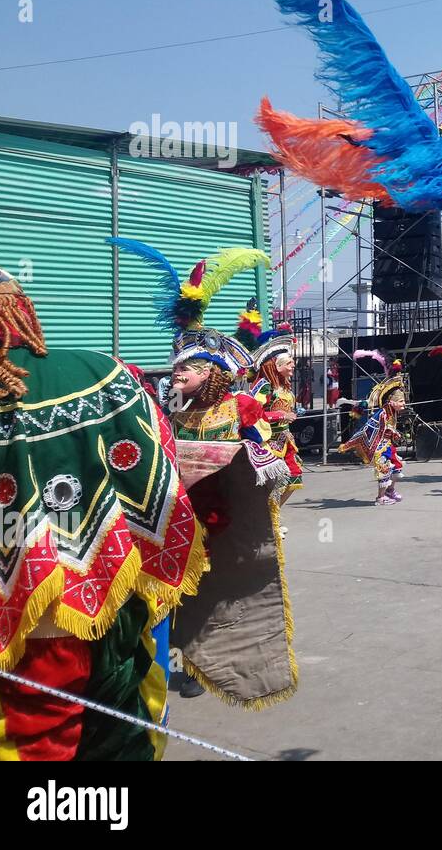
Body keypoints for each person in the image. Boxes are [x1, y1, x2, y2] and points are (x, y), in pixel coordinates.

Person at [0, 263, 208, 759]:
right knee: (124, 736)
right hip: (110, 610)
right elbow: (163, 476)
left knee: (20, 745)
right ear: (20, 310)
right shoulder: (103, 373)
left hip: (2, 631)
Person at [109, 238, 299, 708]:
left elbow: (267, 458)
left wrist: (254, 461)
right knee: (172, 589)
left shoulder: (242, 406)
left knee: (215, 590)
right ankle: (171, 657)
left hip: (223, 517)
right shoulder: (174, 409)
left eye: (185, 371)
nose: (176, 377)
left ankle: (200, 662)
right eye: (175, 372)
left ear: (211, 374)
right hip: (176, 515)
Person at [238, 298, 305, 503]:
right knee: (274, 482)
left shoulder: (283, 386)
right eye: (289, 363)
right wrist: (281, 415)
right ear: (276, 365)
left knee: (294, 477)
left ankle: (272, 515)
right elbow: (251, 414)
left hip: (285, 440)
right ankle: (267, 518)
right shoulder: (263, 386)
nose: (293, 365)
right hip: (266, 442)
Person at [340, 351, 408, 503]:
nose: (404, 404)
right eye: (401, 401)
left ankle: (390, 491)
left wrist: (394, 435)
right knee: (384, 470)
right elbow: (377, 429)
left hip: (388, 446)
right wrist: (394, 433)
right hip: (379, 447)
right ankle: (381, 497)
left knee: (396, 467)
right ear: (391, 402)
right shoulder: (382, 414)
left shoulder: (392, 413)